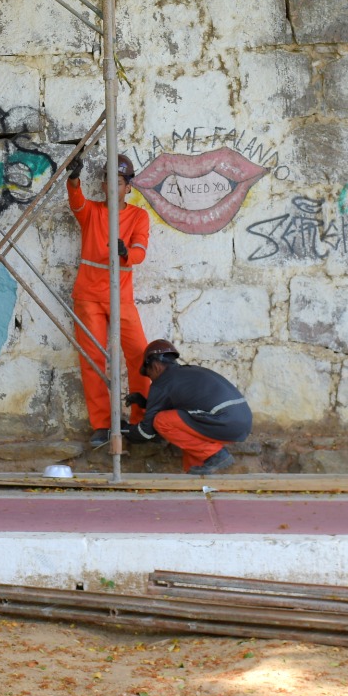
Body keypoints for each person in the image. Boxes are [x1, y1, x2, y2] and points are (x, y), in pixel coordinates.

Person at [68, 152, 150, 448]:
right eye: (108, 181)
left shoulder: (138, 216)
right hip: (88, 297)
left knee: (140, 355)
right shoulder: (93, 211)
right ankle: (102, 424)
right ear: (103, 185)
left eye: (119, 181)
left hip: (120, 297)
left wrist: (126, 252)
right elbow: (76, 202)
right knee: (92, 360)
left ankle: (140, 420)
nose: (112, 186)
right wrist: (73, 179)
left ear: (129, 186)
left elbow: (140, 250)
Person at [125, 339, 251, 476]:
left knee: (162, 421)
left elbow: (146, 432)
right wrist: (144, 403)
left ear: (155, 366)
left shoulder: (162, 382)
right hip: (241, 422)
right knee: (187, 435)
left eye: (149, 375)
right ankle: (197, 479)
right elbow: (174, 405)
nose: (151, 380)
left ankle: (216, 455)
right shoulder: (188, 373)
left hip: (224, 421)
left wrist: (123, 429)